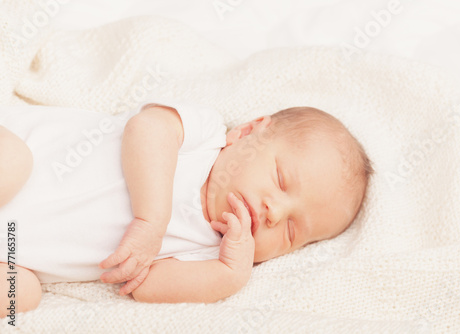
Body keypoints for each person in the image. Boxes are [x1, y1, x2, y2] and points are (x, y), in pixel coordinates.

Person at [0, 98, 373, 316]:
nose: (275, 212)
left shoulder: (209, 252)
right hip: (18, 153)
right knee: (13, 163)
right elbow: (145, 128)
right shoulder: (203, 136)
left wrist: (228, 275)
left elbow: (144, 287)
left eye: (291, 231)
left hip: (13, 252)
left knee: (22, 295)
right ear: (247, 132)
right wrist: (152, 220)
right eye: (280, 179)